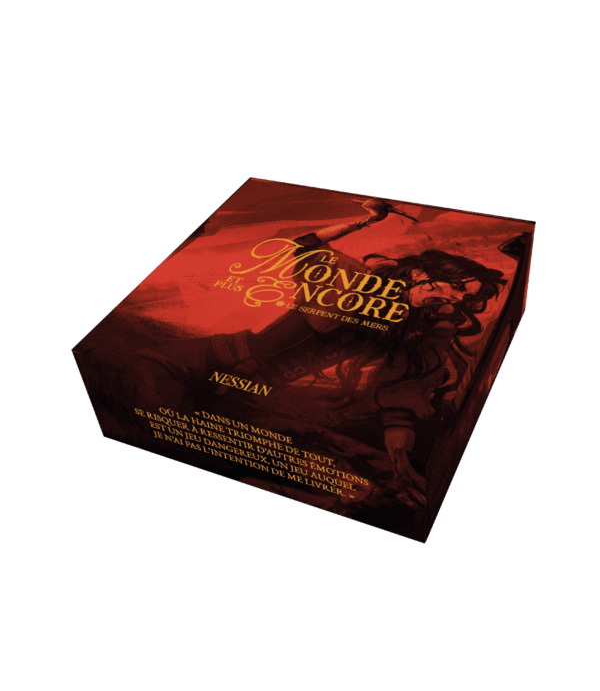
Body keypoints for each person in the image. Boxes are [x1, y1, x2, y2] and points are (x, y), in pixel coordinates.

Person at [125, 198, 506, 496]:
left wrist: (401, 461)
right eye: (457, 288)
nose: (455, 300)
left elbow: (400, 397)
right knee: (168, 428)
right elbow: (304, 246)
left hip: (243, 397)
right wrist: (365, 222)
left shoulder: (416, 331)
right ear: (421, 274)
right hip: (190, 362)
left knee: (344, 477)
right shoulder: (353, 278)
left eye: (464, 298)